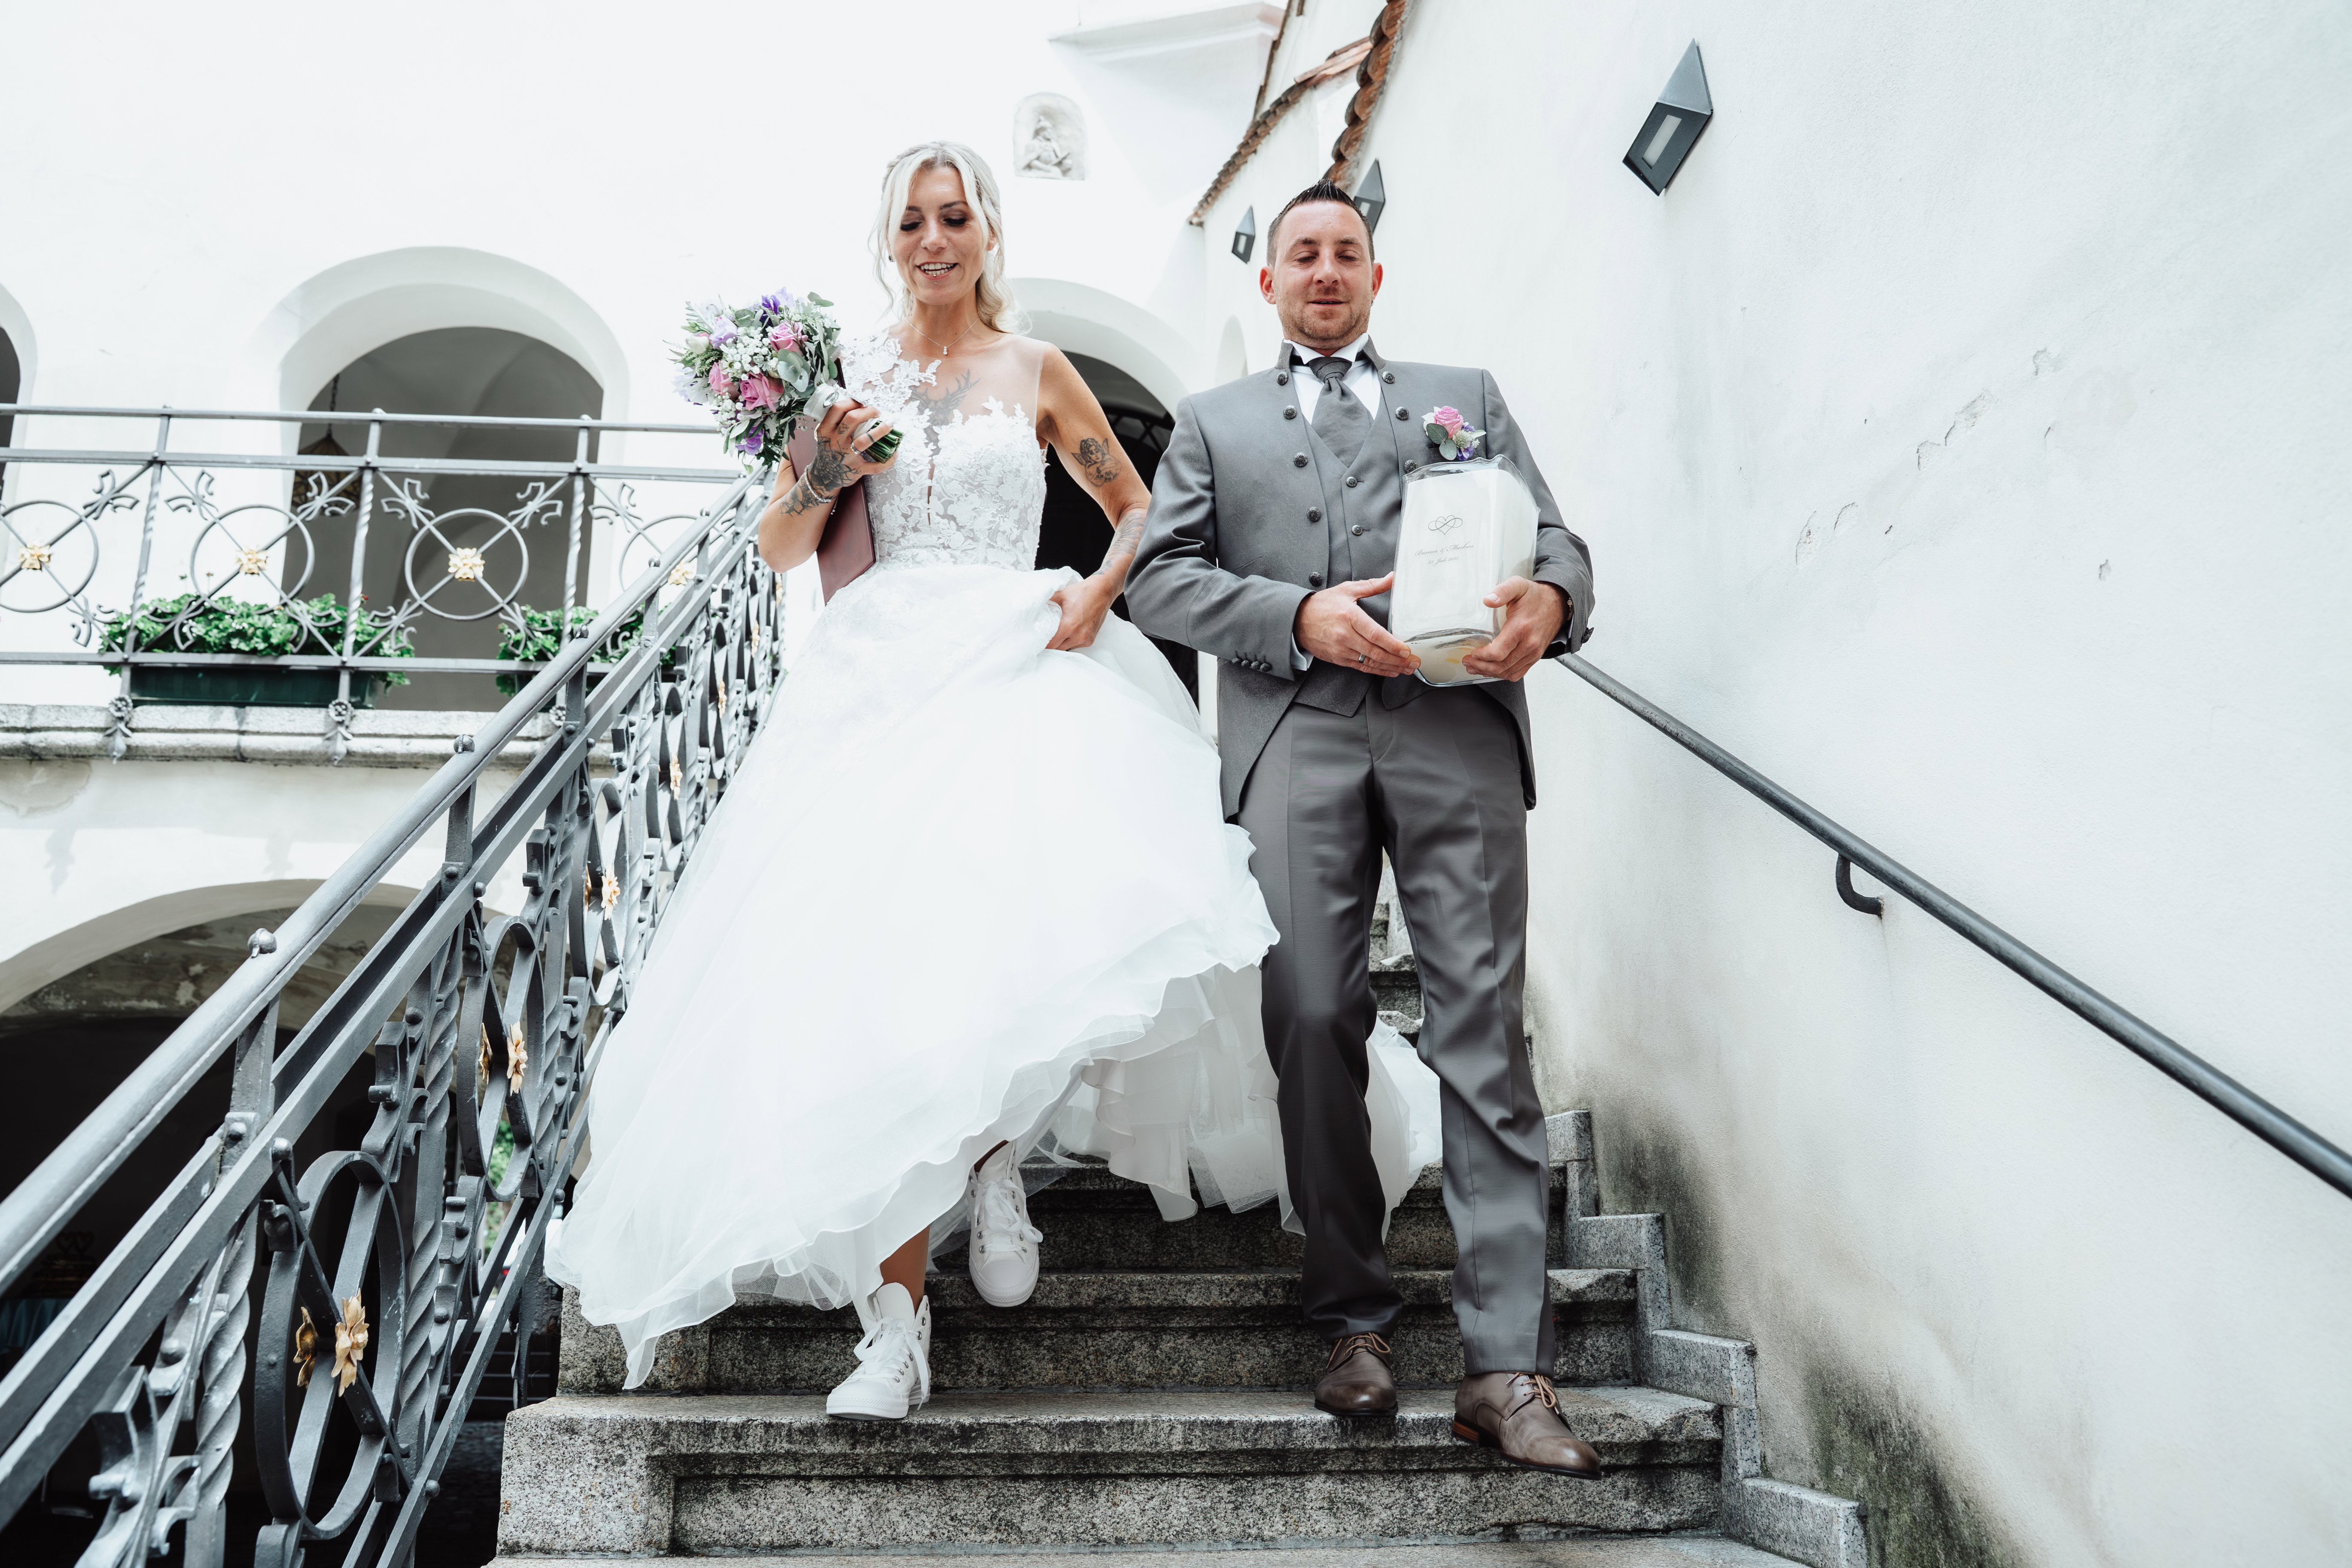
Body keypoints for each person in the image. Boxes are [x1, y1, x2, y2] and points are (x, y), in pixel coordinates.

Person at [548, 146, 1432, 1423]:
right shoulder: (844, 381)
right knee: (875, 971)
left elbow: (1143, 510)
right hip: (874, 683)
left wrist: (1095, 590)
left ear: (988, 232)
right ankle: (897, 1325)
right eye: (911, 219)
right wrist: (823, 467)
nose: (933, 238)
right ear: (888, 239)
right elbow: (783, 544)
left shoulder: (1037, 369)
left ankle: (994, 1147)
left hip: (1014, 661)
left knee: (986, 942)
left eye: (954, 215)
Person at [1126, 180, 1603, 1476]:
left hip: (1459, 733)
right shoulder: (1212, 423)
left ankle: (1508, 1365)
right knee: (1316, 1009)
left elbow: (1556, 543)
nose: (1326, 271)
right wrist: (1294, 617)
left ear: (1377, 278)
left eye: (1348, 252)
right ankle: (1350, 1318)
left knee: (1482, 1033)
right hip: (1297, 736)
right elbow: (1160, 579)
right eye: (1303, 254)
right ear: (1269, 282)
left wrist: (1548, 604)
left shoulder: (1468, 393)